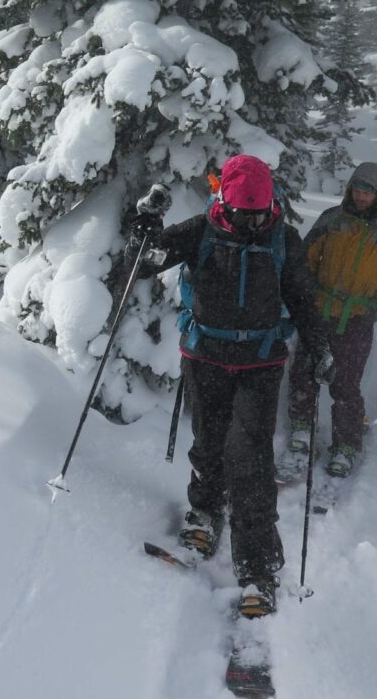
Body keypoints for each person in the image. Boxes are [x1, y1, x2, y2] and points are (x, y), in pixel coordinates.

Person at [127, 154, 333, 617]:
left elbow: (301, 297)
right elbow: (143, 262)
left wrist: (319, 347)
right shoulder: (201, 229)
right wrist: (145, 221)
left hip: (260, 362)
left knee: (251, 457)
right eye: (243, 215)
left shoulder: (283, 238)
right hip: (206, 357)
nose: (251, 223)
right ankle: (204, 513)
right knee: (209, 441)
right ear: (225, 202)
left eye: (259, 215)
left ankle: (259, 567)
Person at [286, 162, 377, 478]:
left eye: (369, 191)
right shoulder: (332, 220)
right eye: (358, 189)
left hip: (357, 319)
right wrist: (304, 288)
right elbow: (304, 257)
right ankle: (300, 430)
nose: (362, 196)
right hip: (319, 312)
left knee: (346, 383)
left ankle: (346, 445)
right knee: (304, 373)